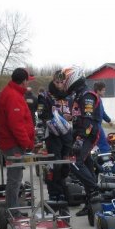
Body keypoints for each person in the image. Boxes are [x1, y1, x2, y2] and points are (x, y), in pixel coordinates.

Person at [0, 67, 36, 216]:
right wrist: (27, 143)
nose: (28, 84)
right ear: (24, 81)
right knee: (15, 179)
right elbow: (16, 125)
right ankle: (12, 211)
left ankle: (12, 208)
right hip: (13, 145)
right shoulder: (13, 96)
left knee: (15, 178)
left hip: (11, 143)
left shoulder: (12, 93)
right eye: (27, 81)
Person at [62, 65, 101, 216]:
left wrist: (80, 139)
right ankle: (91, 202)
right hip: (80, 134)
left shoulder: (87, 95)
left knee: (75, 162)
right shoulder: (78, 95)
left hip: (87, 135)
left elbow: (89, 122)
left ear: (74, 77)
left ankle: (95, 189)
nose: (65, 81)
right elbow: (80, 117)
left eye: (66, 78)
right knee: (86, 165)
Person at [38, 70, 74, 201]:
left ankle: (62, 189)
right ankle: (54, 193)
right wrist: (56, 117)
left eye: (62, 82)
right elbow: (41, 114)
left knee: (66, 166)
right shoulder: (45, 96)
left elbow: (76, 112)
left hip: (67, 135)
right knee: (55, 166)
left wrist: (70, 117)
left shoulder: (70, 96)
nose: (59, 84)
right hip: (52, 135)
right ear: (53, 81)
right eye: (57, 82)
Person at [92, 81, 114, 153]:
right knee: (104, 145)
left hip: (97, 125)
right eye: (103, 90)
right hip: (95, 125)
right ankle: (107, 162)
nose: (105, 91)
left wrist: (109, 120)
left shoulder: (99, 100)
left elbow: (102, 112)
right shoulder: (93, 100)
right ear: (98, 91)